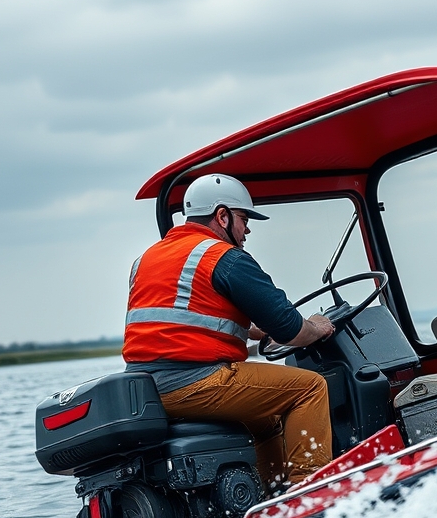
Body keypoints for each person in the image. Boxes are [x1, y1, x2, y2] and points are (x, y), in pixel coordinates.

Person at [122, 173, 335, 488]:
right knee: (310, 388)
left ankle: (269, 492)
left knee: (265, 420)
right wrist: (317, 327)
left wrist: (255, 332)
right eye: (243, 218)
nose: (247, 228)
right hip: (196, 383)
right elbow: (291, 329)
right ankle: (310, 489)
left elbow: (182, 320)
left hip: (146, 390)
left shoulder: (147, 259)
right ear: (222, 216)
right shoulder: (224, 257)